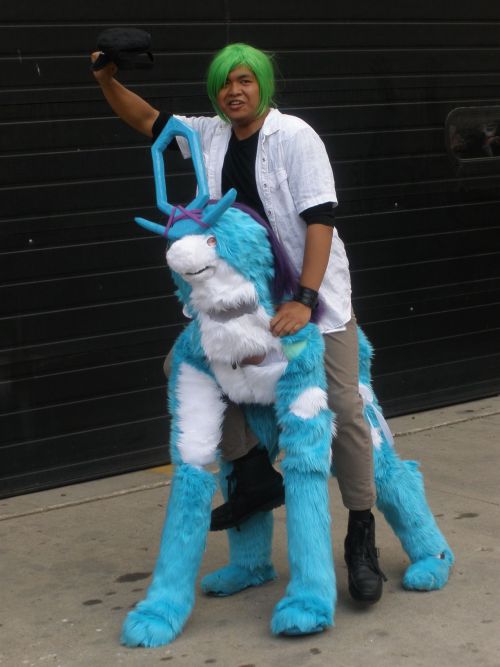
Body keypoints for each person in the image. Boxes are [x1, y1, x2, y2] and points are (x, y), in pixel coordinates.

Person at [91, 42, 385, 603]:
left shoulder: (294, 136)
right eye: (226, 83)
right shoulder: (211, 135)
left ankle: (361, 532)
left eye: (246, 81)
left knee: (344, 405)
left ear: (264, 86)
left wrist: (304, 297)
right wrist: (106, 79)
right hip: (241, 303)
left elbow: (320, 220)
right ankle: (252, 473)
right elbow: (149, 121)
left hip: (309, 297)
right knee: (190, 375)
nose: (235, 91)